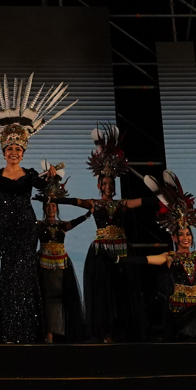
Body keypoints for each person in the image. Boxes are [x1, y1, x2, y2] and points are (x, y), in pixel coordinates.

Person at [0, 74, 76, 344]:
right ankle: (9, 331)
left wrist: (52, 176)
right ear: (3, 151)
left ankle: (28, 331)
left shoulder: (30, 173)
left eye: (17, 148)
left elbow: (43, 184)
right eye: (9, 148)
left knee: (26, 274)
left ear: (23, 152)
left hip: (26, 228)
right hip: (6, 229)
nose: (13, 151)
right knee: (9, 273)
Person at [65, 125, 147, 343]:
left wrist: (161, 197)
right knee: (104, 292)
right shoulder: (94, 203)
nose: (109, 187)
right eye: (105, 183)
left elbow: (141, 202)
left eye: (111, 183)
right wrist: (54, 198)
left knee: (123, 290)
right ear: (99, 185)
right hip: (101, 252)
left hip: (122, 249)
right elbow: (76, 201)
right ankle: (105, 333)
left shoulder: (122, 203)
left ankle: (123, 332)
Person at [133, 170, 196, 342]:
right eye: (181, 234)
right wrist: (121, 259)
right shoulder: (170, 257)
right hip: (180, 308)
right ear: (174, 238)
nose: (185, 237)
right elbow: (146, 260)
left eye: (188, 234)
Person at [34, 163, 90, 343]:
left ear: (57, 208)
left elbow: (75, 222)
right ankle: (48, 334)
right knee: (46, 298)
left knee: (60, 299)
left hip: (61, 265)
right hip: (43, 265)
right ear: (44, 208)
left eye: (54, 205)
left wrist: (88, 215)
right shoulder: (38, 225)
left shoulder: (62, 225)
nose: (51, 208)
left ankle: (60, 333)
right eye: (48, 205)